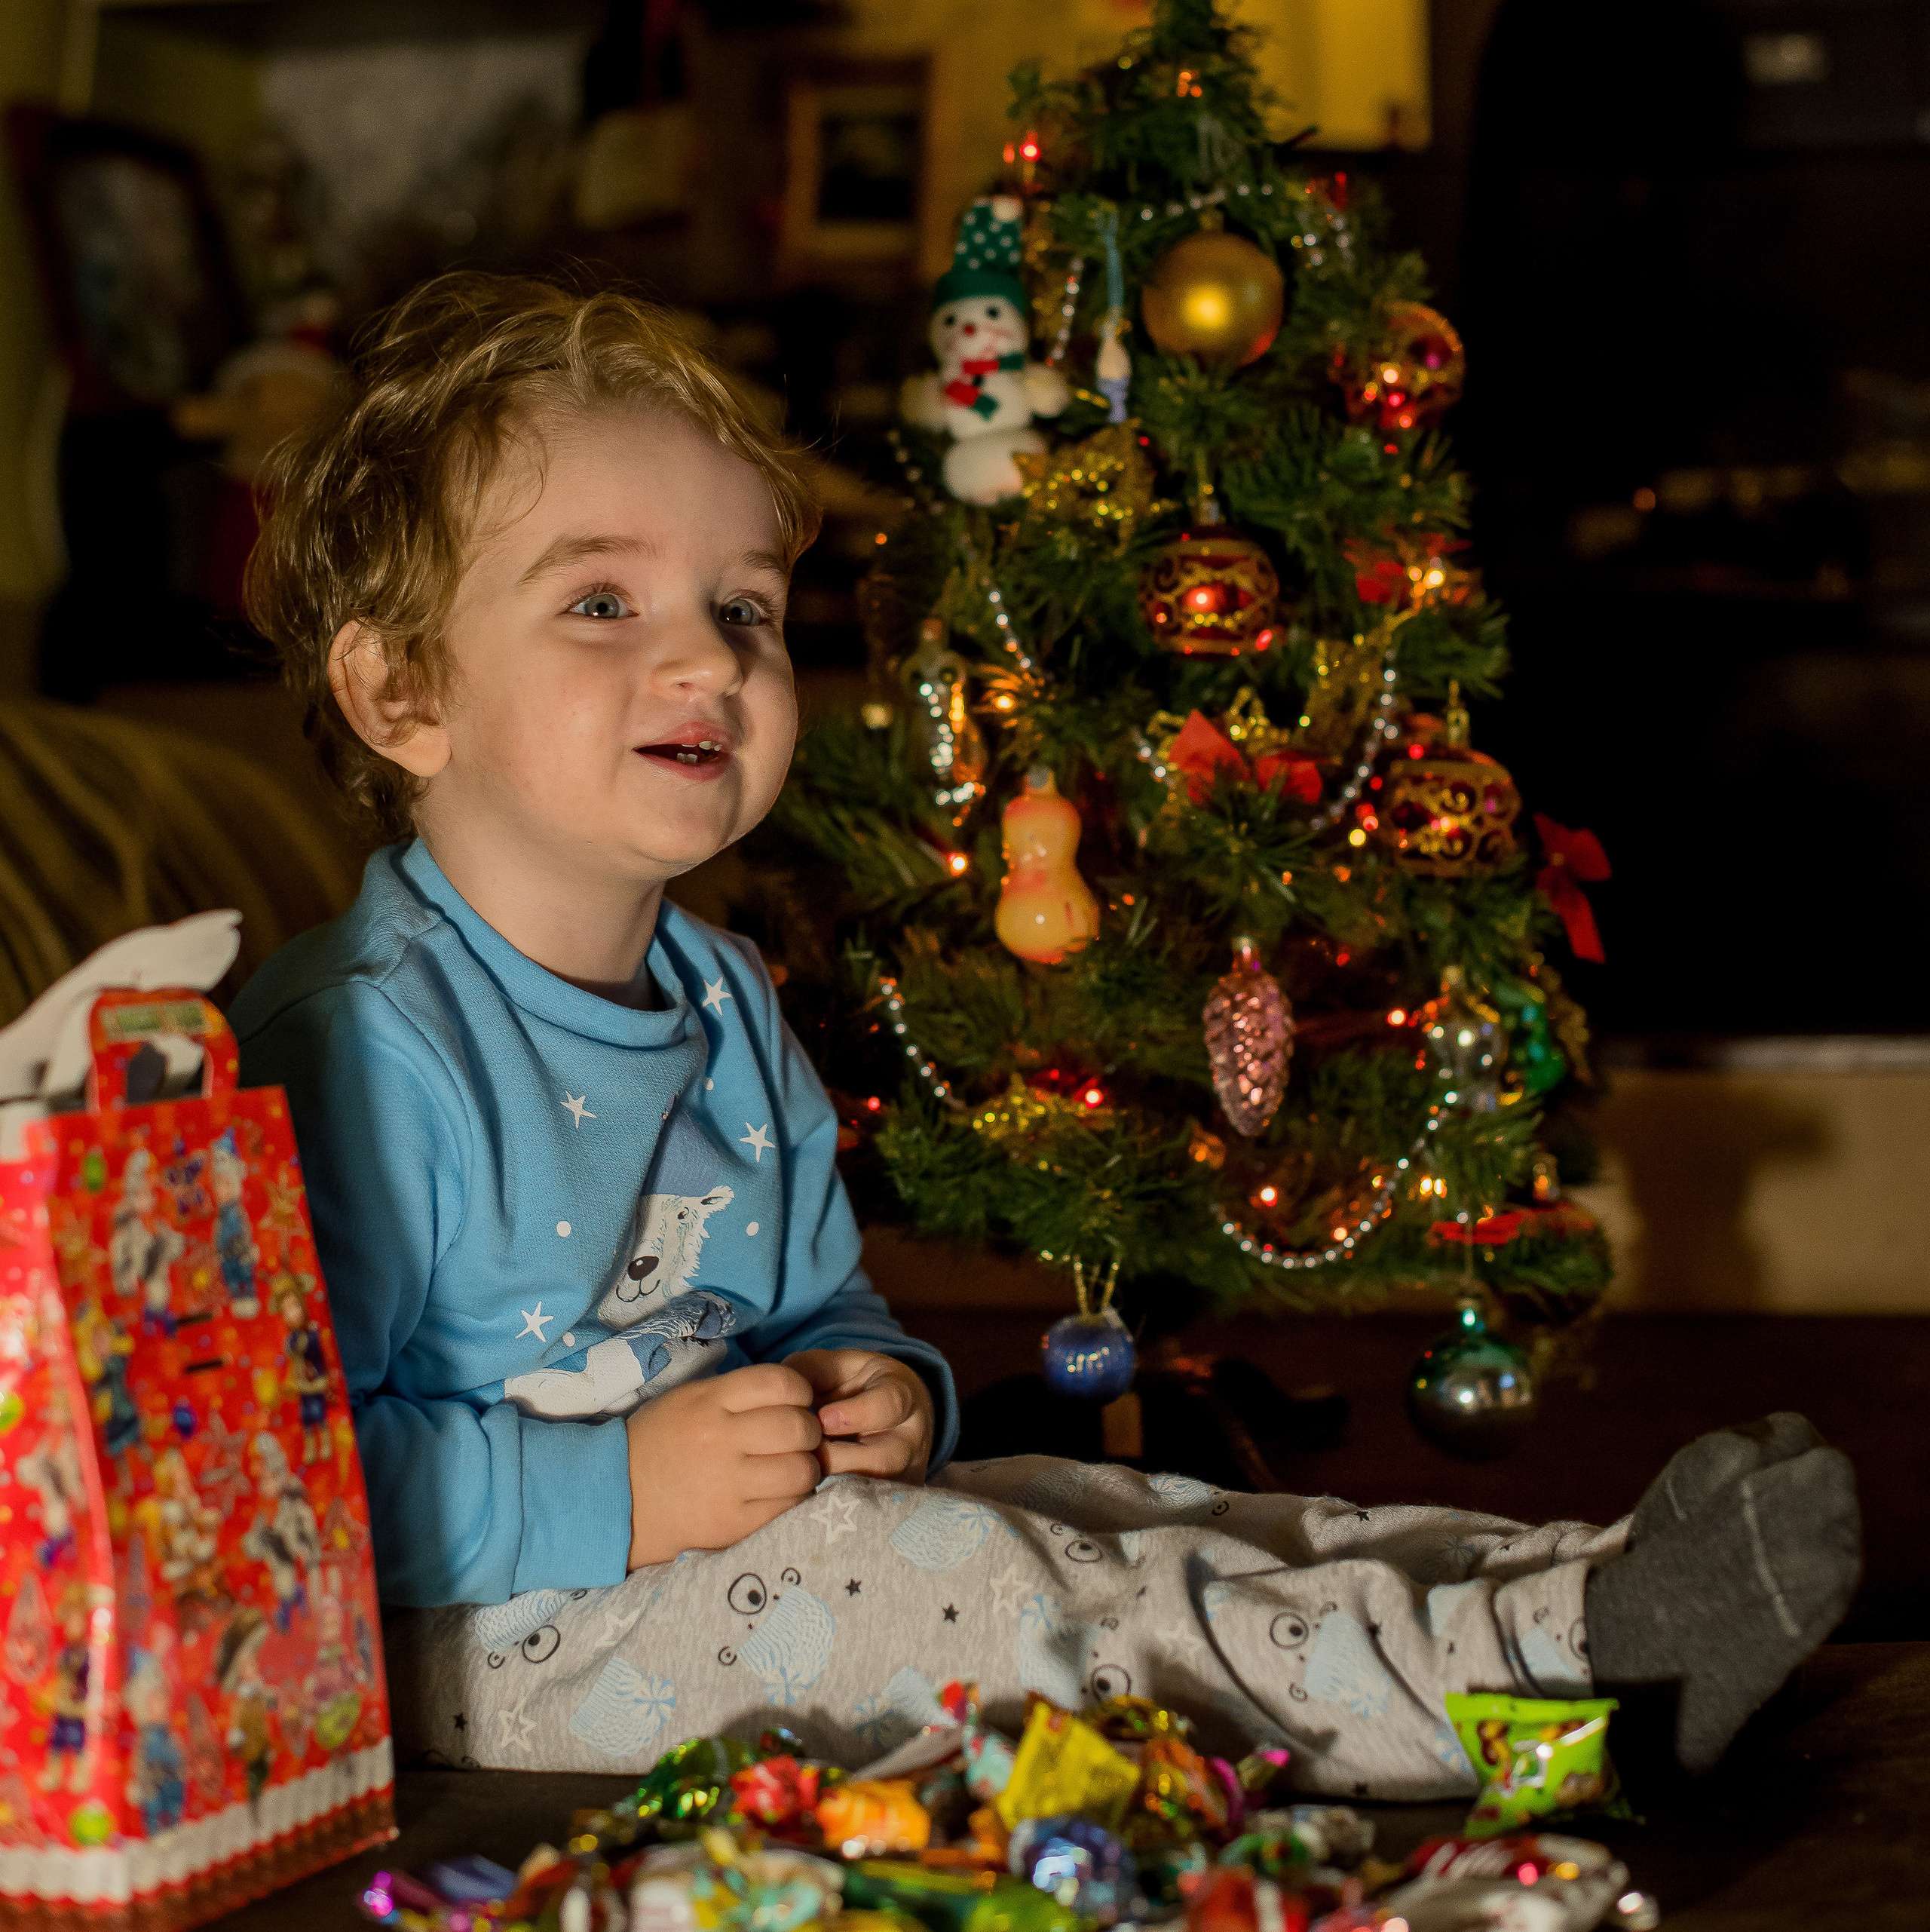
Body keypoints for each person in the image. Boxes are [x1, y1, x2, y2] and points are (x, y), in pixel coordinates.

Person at [233, 272, 1861, 1797]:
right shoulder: (362, 1045)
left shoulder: (718, 995)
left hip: (726, 1565)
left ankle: (1572, 1602)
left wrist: (881, 1390)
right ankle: (1557, 1720)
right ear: (396, 697)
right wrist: (621, 1493)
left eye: (744, 605)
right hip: (475, 1645)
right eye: (601, 599)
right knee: (989, 1595)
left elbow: (822, 1309)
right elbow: (266, 1496)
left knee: (1091, 1506)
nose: (705, 658)